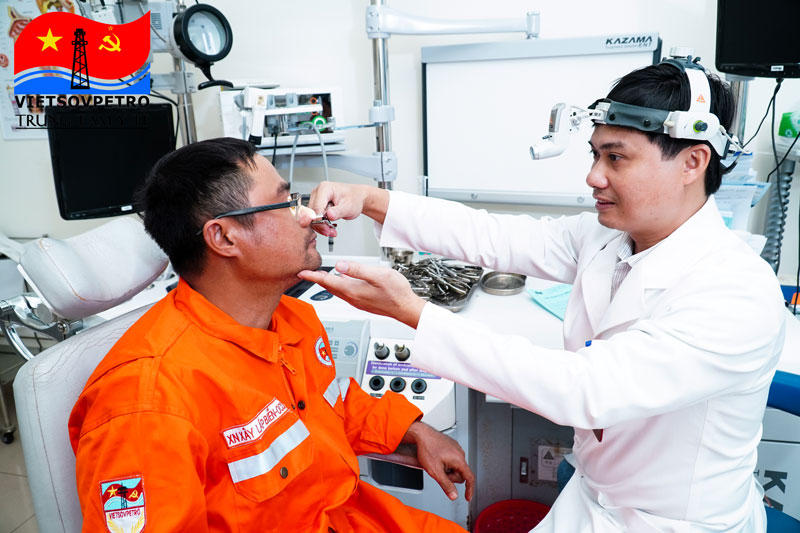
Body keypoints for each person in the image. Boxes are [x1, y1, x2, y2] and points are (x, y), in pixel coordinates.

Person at [298, 60, 787, 532]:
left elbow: (583, 390)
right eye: (595, 155)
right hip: (594, 499)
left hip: (672, 522)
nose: (593, 176)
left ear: (692, 162)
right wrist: (372, 200)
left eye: (616, 158)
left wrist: (413, 312)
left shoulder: (735, 293)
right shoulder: (609, 238)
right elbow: (494, 236)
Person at [68, 137, 473, 533]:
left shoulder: (293, 319)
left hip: (346, 514)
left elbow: (325, 407)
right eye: (286, 203)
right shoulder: (147, 404)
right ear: (224, 237)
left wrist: (412, 430)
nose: (308, 215)